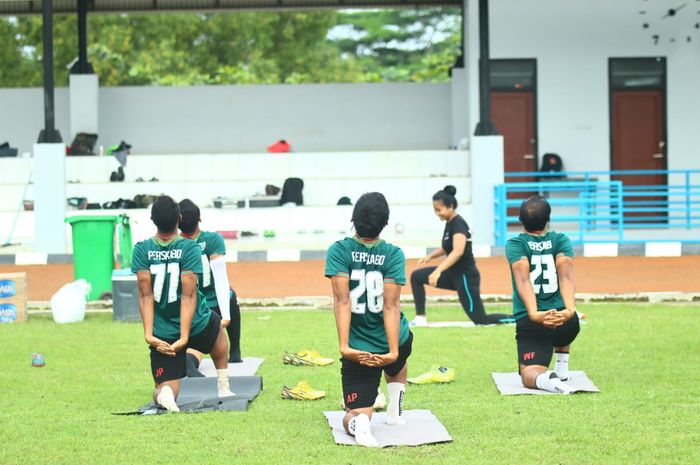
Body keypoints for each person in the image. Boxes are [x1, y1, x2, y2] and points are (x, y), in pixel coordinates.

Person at [325, 192, 413, 448]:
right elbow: (391, 305)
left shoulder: (339, 250)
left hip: (358, 348)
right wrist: (394, 351)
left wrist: (345, 347)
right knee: (399, 360)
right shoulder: (393, 253)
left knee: (354, 413)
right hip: (394, 339)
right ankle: (395, 415)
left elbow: (342, 301)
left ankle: (361, 424)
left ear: (353, 219)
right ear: (384, 223)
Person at [131, 196, 234, 412]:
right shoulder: (189, 248)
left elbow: (145, 295)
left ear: (152, 220)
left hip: (162, 330)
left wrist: (149, 335)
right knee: (218, 332)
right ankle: (223, 385)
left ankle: (166, 394)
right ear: (179, 218)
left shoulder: (141, 249)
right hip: (195, 321)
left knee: (166, 387)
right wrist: (185, 337)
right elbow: (188, 297)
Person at [505, 195, 580, 394]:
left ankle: (550, 380)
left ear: (521, 221)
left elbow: (523, 279)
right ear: (548, 219)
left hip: (533, 323)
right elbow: (566, 276)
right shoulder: (561, 239)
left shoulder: (515, 243)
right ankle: (562, 366)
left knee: (529, 372)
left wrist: (534, 313)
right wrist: (570, 310)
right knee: (566, 325)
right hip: (566, 322)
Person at [410, 185, 509, 326]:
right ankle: (420, 318)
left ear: (450, 207)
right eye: (435, 210)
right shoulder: (449, 223)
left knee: (481, 321)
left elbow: (458, 251)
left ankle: (519, 320)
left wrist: (438, 271)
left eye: (439, 210)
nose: (437, 213)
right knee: (416, 276)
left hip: (465, 277)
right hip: (452, 275)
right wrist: (429, 257)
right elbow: (447, 247)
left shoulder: (458, 224)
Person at [177, 199, 243, 378]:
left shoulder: (177, 245)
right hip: (215, 302)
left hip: (192, 304)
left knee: (195, 342)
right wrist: (226, 316)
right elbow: (221, 277)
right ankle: (235, 350)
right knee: (230, 295)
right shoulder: (212, 239)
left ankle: (190, 364)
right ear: (199, 218)